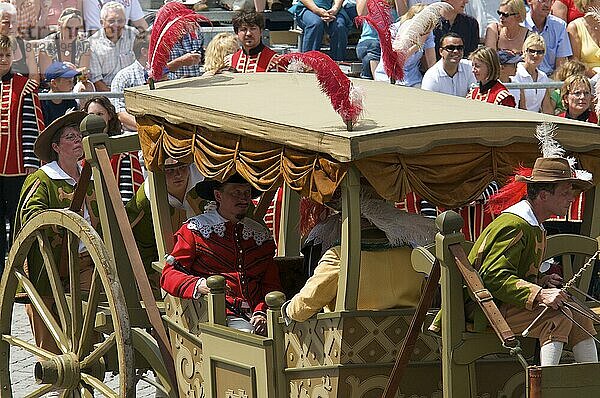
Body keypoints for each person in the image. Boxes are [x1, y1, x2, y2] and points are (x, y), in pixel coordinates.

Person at [433, 156, 598, 367]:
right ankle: (544, 387)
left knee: (580, 316)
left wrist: (541, 279)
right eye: (565, 193)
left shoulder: (530, 224)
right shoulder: (514, 225)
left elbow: (511, 271)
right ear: (544, 195)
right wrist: (540, 293)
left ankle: (591, 385)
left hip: (505, 303)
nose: (571, 199)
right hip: (484, 309)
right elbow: (492, 277)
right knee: (557, 317)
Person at [282, 191, 434, 323]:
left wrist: (286, 310)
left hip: (351, 348)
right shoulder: (410, 254)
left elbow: (304, 305)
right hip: (411, 342)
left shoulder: (338, 256)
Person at [161, 173, 282, 336]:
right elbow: (169, 275)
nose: (244, 199)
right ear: (218, 196)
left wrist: (262, 312)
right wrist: (199, 285)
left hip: (259, 317)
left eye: (246, 193)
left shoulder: (260, 235)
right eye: (236, 193)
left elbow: (270, 284)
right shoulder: (195, 231)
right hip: (216, 317)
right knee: (248, 335)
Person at [15, 111, 96, 353]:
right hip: (50, 265)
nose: (77, 141)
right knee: (51, 336)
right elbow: (29, 218)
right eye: (70, 137)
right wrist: (62, 218)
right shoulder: (43, 179)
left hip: (85, 263)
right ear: (56, 147)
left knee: (86, 327)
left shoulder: (91, 176)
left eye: (79, 136)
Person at [126, 159, 205, 297]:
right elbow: (143, 247)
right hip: (164, 265)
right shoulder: (144, 202)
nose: (178, 174)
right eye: (170, 170)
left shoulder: (207, 184)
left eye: (182, 167)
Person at [0, 34, 43, 273]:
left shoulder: (23, 86)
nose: (3, 60)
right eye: (0, 55)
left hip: (17, 169)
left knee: (17, 224)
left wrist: (30, 162)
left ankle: (16, 274)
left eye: (7, 55)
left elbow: (31, 129)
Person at [82, 96, 144, 203]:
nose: (96, 119)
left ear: (109, 116)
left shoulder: (123, 150)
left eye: (100, 114)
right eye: (91, 115)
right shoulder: (78, 149)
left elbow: (128, 194)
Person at [373, 3, 436, 87]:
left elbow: (432, 63)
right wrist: (417, 45)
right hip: (388, 78)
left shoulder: (427, 31)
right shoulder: (394, 29)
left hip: (412, 78)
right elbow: (397, 61)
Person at [88, 1, 136, 91]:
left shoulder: (134, 35)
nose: (116, 25)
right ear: (102, 22)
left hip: (134, 89)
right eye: (111, 21)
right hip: (108, 92)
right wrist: (115, 98)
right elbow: (97, 81)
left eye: (120, 20)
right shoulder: (92, 44)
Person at [111, 31, 148, 131]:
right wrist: (147, 130)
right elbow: (120, 113)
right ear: (144, 52)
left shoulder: (167, 75)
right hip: (133, 134)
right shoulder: (123, 77)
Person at [354, 0, 402, 79]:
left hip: (391, 41)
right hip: (368, 41)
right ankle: (379, 82)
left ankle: (368, 79)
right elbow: (361, 14)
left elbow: (403, 17)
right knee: (375, 46)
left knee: (367, 59)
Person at [37, 8, 90, 78]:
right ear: (59, 25)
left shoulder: (84, 44)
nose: (73, 32)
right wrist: (68, 70)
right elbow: (45, 76)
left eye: (77, 28)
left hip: (75, 84)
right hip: (53, 86)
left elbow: (84, 72)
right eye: (69, 28)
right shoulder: (47, 45)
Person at [524, 0, 572, 76]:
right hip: (523, 79)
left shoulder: (560, 26)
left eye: (550, 1)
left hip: (551, 79)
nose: (547, 5)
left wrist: (551, 85)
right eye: (543, 0)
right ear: (529, 1)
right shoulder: (520, 24)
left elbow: (561, 65)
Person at [422, 32, 477, 96]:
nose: (456, 51)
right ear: (441, 51)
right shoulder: (431, 76)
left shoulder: (470, 67)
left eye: (460, 48)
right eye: (450, 48)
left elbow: (474, 94)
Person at [509, 34, 553, 113]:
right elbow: (520, 107)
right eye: (532, 51)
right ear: (524, 51)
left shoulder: (543, 77)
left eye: (540, 52)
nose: (535, 55)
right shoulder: (516, 73)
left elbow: (546, 107)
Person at [0, 2, 38, 80]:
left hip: (21, 90)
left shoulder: (26, 47)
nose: (11, 26)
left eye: (13, 22)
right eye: (6, 22)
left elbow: (34, 78)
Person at [567, 0, 600, 78]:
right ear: (585, 3)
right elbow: (575, 63)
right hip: (588, 81)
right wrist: (597, 77)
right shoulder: (574, 27)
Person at [83, 0, 147, 35]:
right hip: (104, 43)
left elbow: (142, 24)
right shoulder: (91, 1)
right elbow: (95, 32)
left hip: (125, 40)